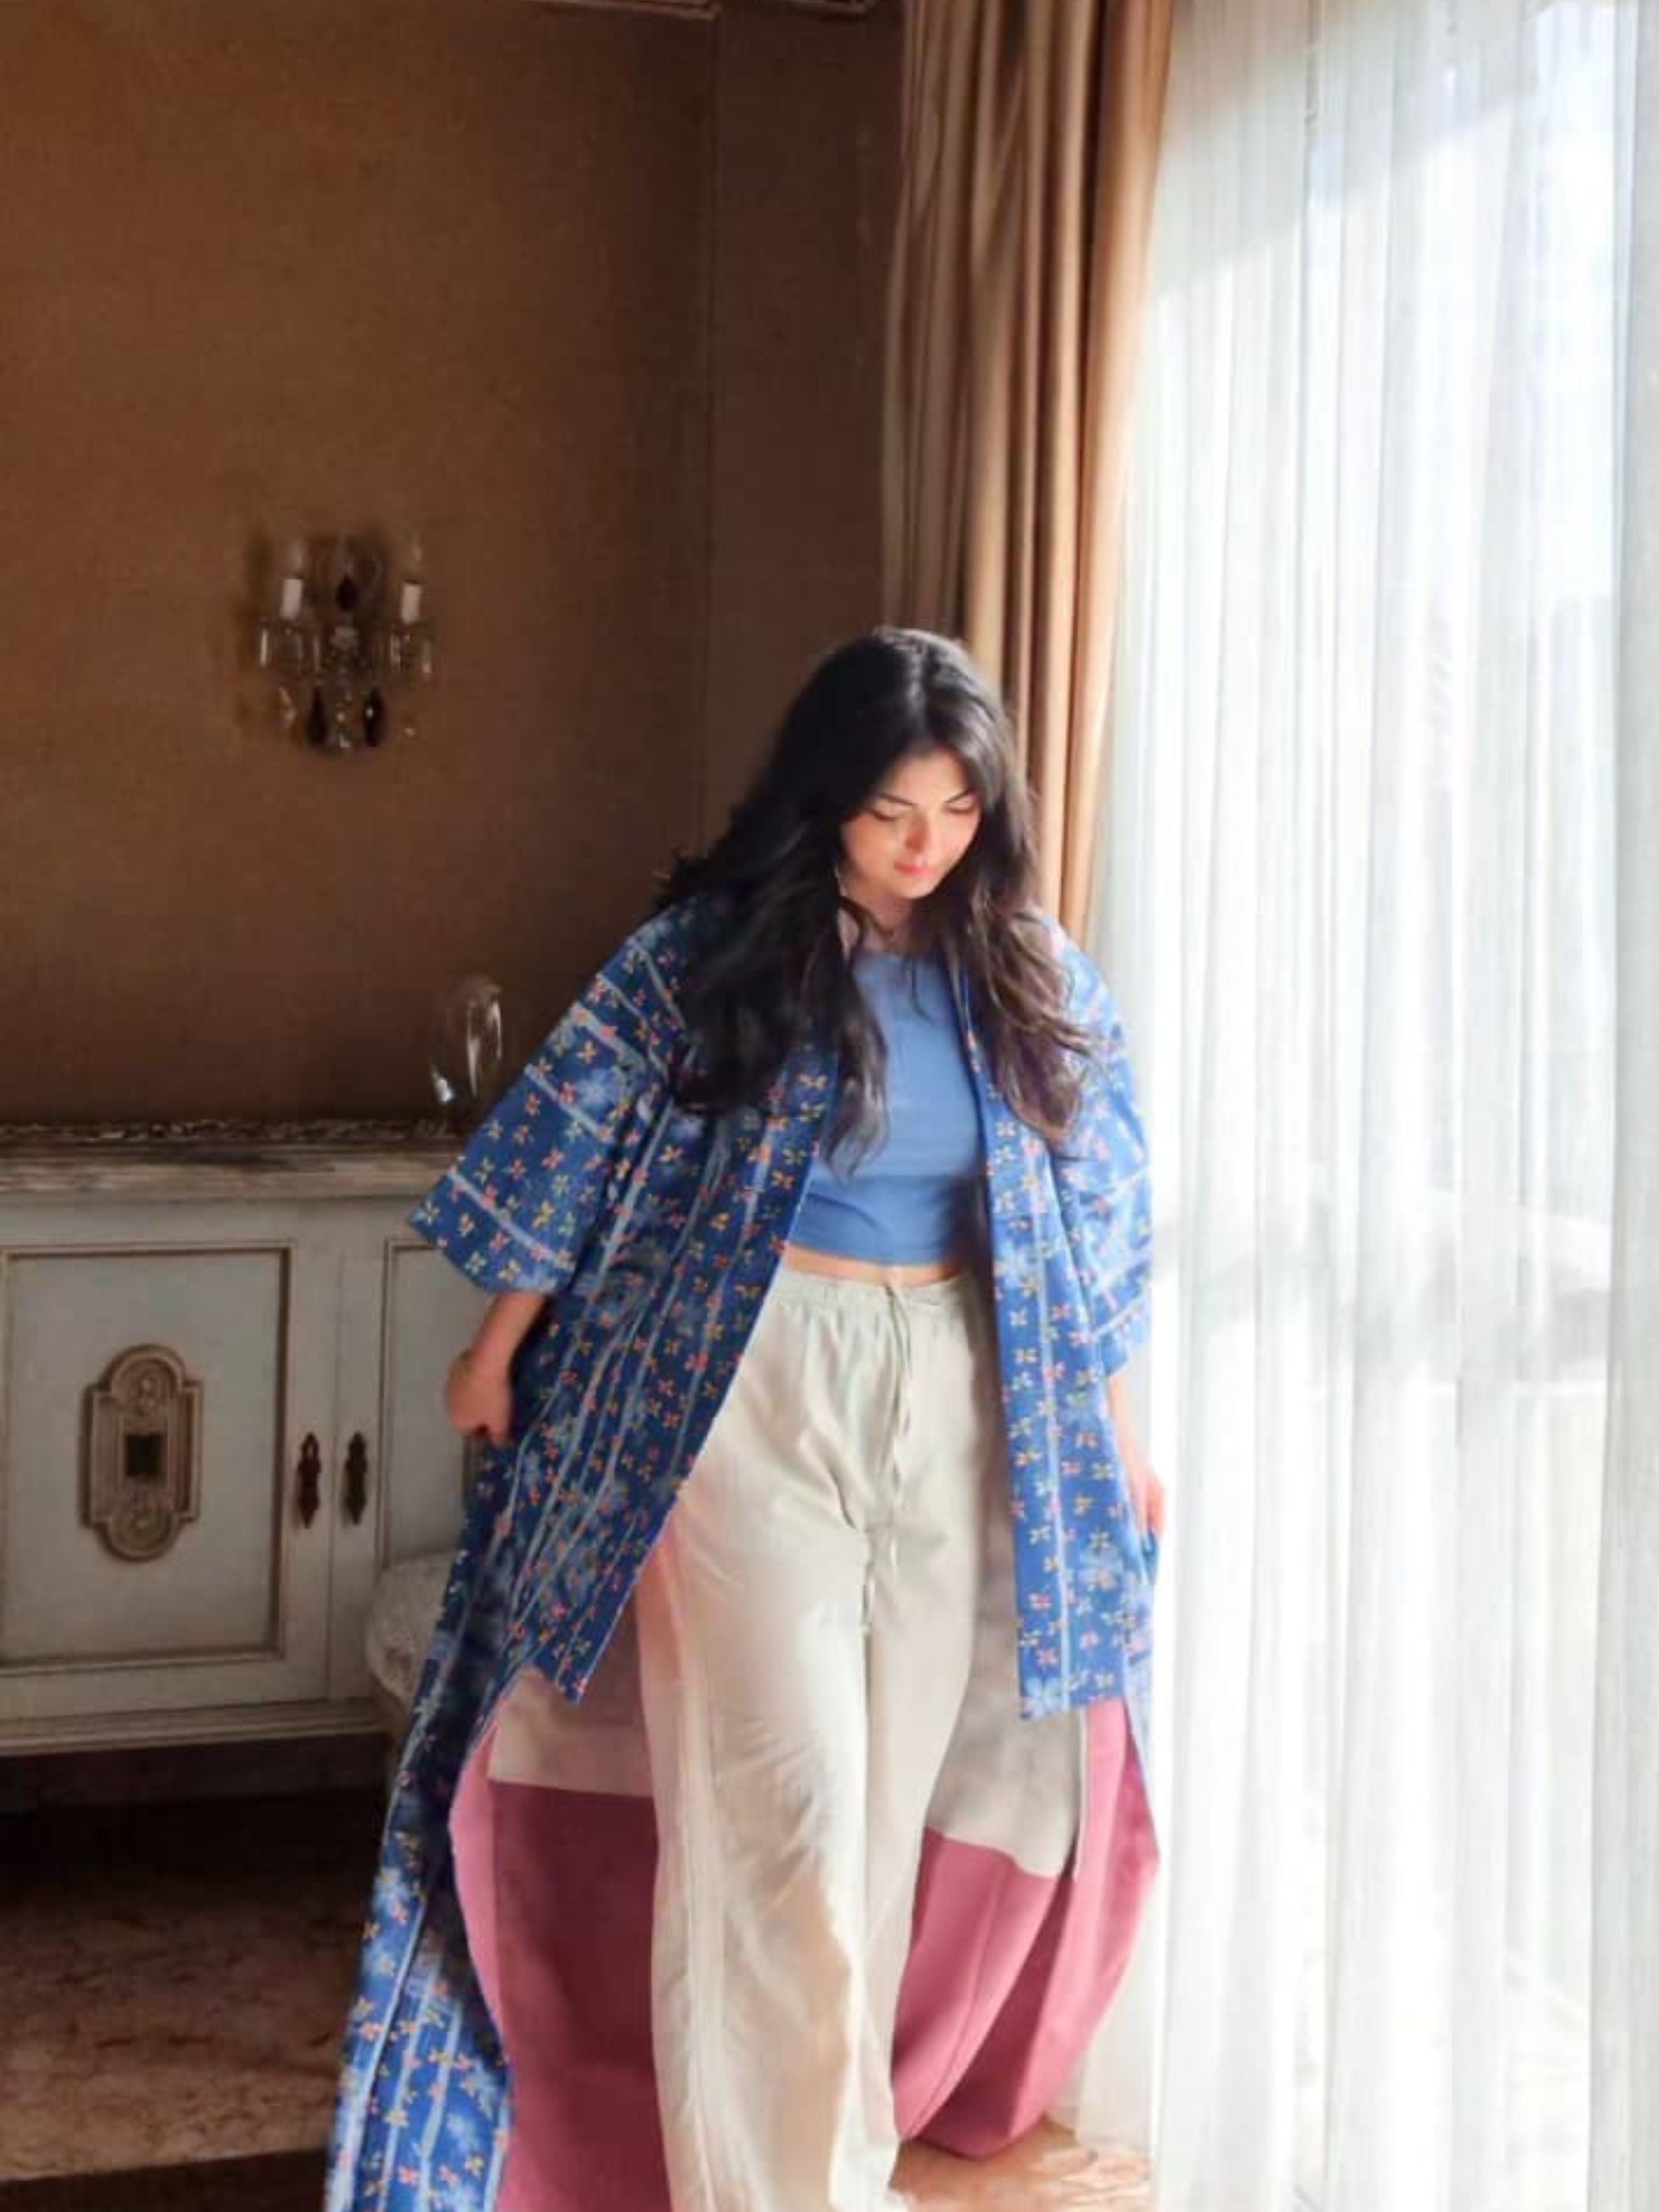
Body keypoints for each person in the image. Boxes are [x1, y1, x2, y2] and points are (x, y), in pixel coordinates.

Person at [328, 628, 1166, 2212]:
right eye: (890, 815)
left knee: (881, 1820)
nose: (925, 850)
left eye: (955, 815)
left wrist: (1119, 1433)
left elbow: (1098, 1210)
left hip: (955, 1396)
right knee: (779, 1815)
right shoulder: (715, 953)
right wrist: (497, 1349)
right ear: (825, 800)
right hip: (746, 1384)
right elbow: (579, 1131)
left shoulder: (1026, 973)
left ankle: (834, 2169)